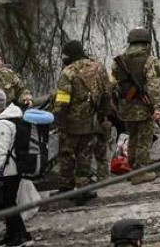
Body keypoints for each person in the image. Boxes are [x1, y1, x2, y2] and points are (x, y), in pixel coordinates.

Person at [52, 40, 113, 200]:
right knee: (85, 155)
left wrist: (58, 120)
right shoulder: (98, 67)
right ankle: (83, 190)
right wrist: (104, 114)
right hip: (91, 120)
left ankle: (66, 188)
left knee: (66, 154)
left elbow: (62, 101)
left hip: (71, 123)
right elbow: (107, 93)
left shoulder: (68, 73)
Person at [112, 28, 160, 184]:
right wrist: (157, 108)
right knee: (144, 140)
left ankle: (132, 168)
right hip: (143, 106)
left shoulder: (118, 61)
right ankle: (140, 172)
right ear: (146, 43)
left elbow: (114, 84)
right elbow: (154, 86)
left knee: (132, 137)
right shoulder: (149, 60)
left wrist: (118, 106)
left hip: (125, 107)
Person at [0, 90, 32, 247]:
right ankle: (11, 234)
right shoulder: (13, 117)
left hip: (9, 169)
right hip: (11, 167)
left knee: (8, 203)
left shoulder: (3, 123)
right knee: (6, 202)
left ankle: (22, 235)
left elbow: (1, 152)